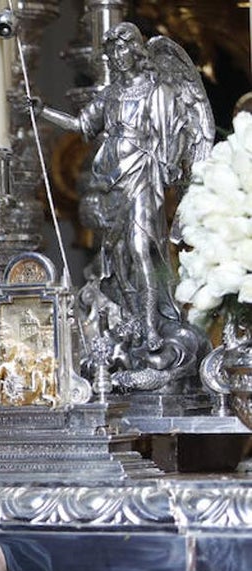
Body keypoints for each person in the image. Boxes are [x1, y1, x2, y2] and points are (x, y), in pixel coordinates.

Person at [36, 21, 212, 390]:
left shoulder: (158, 89)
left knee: (141, 249)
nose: (115, 56)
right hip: (110, 178)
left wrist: (171, 168)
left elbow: (174, 135)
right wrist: (43, 112)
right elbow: (82, 126)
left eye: (121, 48)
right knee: (117, 258)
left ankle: (151, 329)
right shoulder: (111, 94)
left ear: (135, 50)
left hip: (143, 175)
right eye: (111, 50)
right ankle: (131, 325)